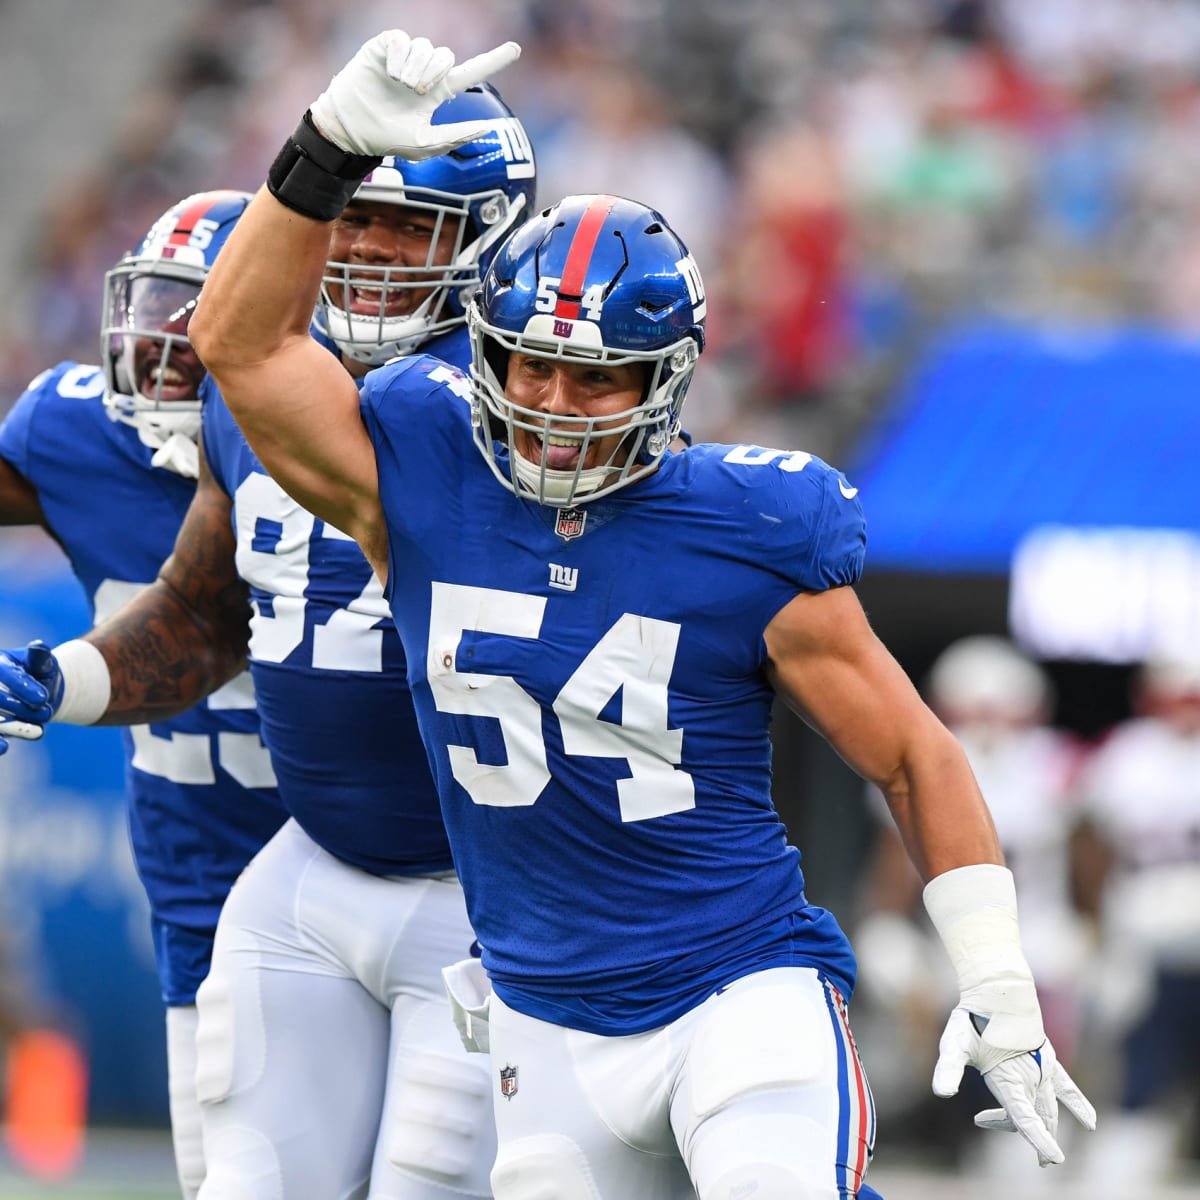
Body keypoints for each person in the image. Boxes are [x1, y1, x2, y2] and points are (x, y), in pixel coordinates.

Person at [168, 29, 1093, 1197]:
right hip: (542, 1029)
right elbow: (236, 343)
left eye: (598, 375)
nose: (555, 403)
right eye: (527, 367)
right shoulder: (418, 468)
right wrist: (326, 151)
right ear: (482, 355)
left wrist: (997, 980)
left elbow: (911, 755)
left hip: (738, 995)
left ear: (669, 376)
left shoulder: (748, 529)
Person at [0, 82, 537, 1198]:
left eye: (412, 226)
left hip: (487, 894)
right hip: (296, 882)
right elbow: (201, 618)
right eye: (356, 216)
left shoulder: (514, 417)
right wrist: (68, 678)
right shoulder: (229, 407)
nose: (375, 253)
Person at [0, 189, 289, 1198]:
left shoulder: (337, 443)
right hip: (195, 894)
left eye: (195, 316)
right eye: (156, 307)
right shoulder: (76, 435)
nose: (163, 344)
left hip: (359, 870)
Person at [852, 636, 1090, 1194]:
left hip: (1039, 943)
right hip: (959, 949)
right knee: (910, 1060)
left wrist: (1096, 929)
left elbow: (1087, 857)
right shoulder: (932, 761)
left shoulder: (1056, 766)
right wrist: (885, 933)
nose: (988, 726)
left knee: (1049, 1075)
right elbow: (896, 871)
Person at [1072, 649, 1200, 1195]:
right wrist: (1096, 927)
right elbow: (1089, 843)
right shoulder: (1126, 756)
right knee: (1137, 1074)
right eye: (1174, 698)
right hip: (1145, 941)